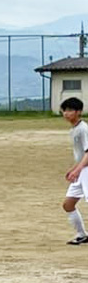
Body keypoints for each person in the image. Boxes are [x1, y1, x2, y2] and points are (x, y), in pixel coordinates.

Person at [60, 97, 88, 245]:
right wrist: (74, 169)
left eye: (70, 110)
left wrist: (78, 170)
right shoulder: (74, 129)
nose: (66, 113)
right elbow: (82, 154)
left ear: (79, 112)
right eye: (64, 110)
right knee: (68, 205)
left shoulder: (83, 129)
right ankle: (82, 234)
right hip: (81, 169)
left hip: (86, 170)